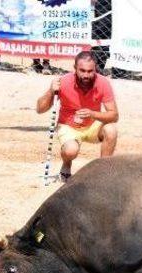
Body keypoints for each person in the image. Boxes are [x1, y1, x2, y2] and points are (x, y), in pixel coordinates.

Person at [36, 50, 118, 182]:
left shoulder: (103, 83)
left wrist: (93, 114)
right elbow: (40, 109)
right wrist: (51, 91)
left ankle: (102, 172)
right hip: (69, 126)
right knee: (70, 151)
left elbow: (114, 116)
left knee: (111, 130)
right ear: (75, 69)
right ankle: (66, 164)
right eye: (82, 70)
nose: (86, 75)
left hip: (92, 125)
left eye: (90, 71)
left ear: (95, 69)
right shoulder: (63, 81)